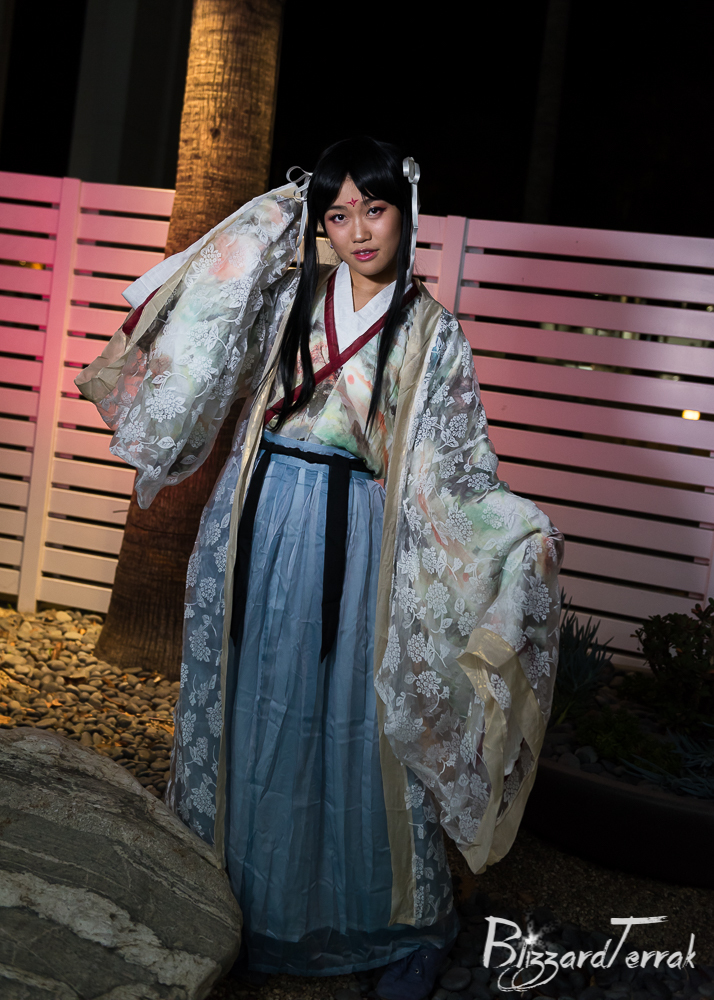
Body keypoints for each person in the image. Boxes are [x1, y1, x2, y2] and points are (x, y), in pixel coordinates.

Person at [76, 137, 563, 1000]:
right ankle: (237, 907)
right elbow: (209, 327)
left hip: (363, 535)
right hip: (260, 516)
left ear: (406, 210)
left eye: (374, 209)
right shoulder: (288, 299)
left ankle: (385, 921)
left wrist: (516, 535)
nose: (358, 232)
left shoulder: (434, 332)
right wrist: (269, 222)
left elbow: (454, 473)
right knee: (255, 702)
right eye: (337, 215)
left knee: (358, 719)